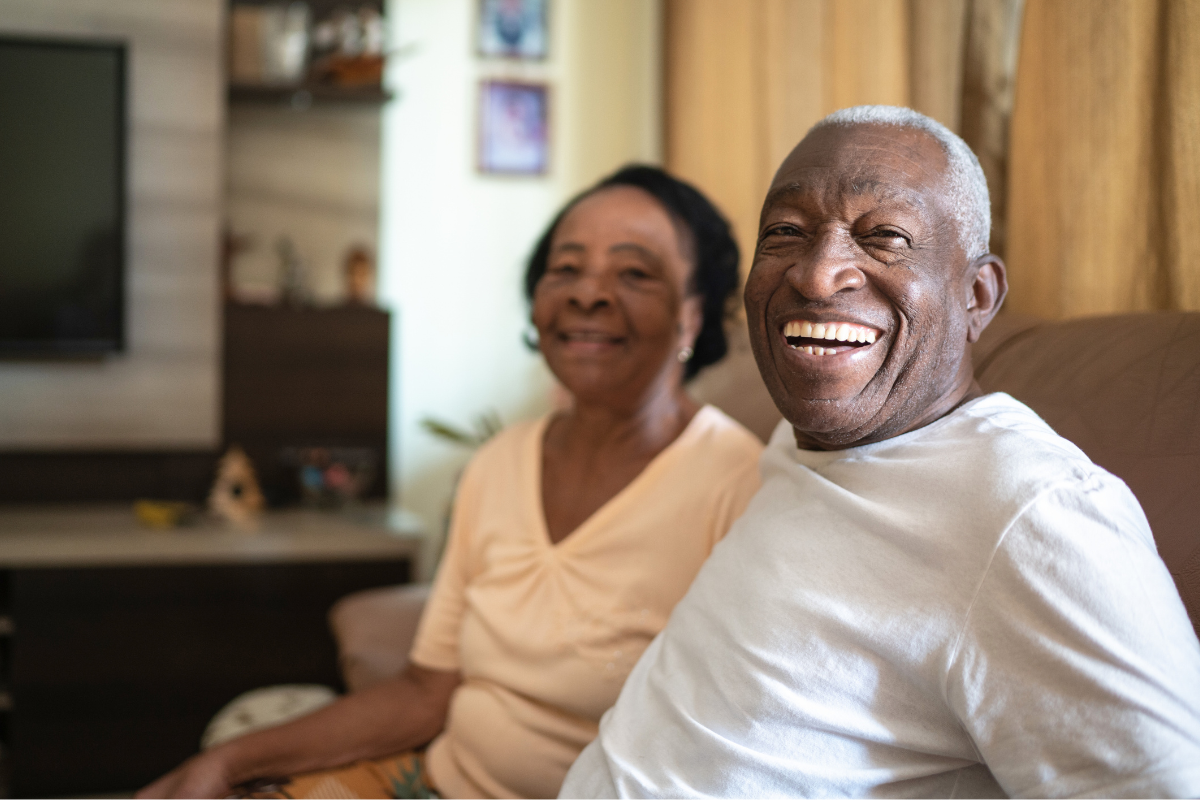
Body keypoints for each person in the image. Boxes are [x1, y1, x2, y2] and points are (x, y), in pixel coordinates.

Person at [560, 106, 1200, 798]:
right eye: (785, 233)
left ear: (977, 296)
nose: (818, 273)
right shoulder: (811, 439)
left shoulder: (1033, 516)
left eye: (885, 236)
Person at [136, 166, 763, 800]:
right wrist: (222, 765)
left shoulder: (740, 487)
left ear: (693, 315)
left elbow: (731, 752)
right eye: (565, 268)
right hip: (433, 781)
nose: (588, 294)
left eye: (634, 272)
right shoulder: (498, 464)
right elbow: (423, 692)